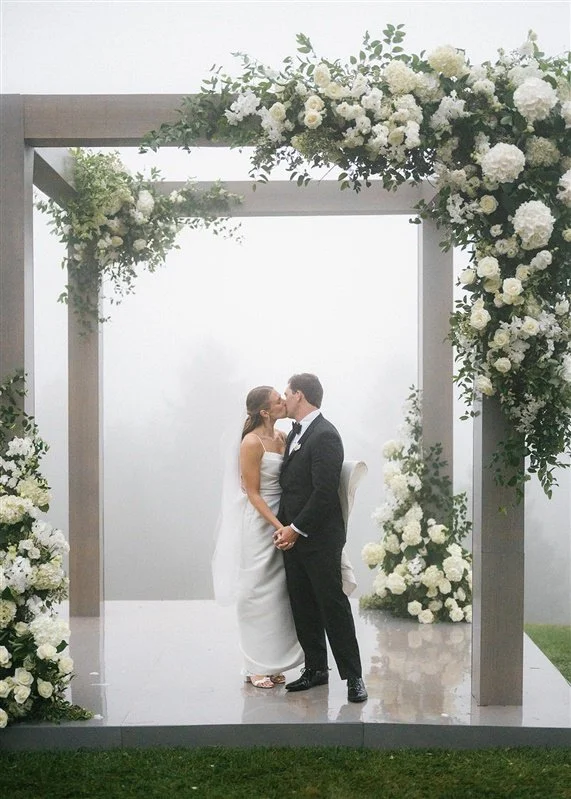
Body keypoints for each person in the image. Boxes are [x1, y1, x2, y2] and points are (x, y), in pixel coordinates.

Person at [273, 373, 368, 703]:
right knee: (302, 603)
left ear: (300, 395)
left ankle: (354, 677)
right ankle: (315, 669)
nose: (283, 400)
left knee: (333, 605)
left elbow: (324, 492)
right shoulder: (296, 434)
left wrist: (295, 529)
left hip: (319, 538)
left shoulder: (325, 435)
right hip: (293, 537)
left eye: (287, 394)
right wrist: (285, 528)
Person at [213, 385, 303, 689]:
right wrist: (277, 524)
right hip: (261, 521)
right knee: (255, 591)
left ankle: (273, 662)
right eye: (278, 401)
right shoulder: (251, 443)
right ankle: (254, 666)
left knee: (279, 594)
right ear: (265, 411)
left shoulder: (281, 438)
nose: (283, 402)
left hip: (283, 519)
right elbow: (251, 492)